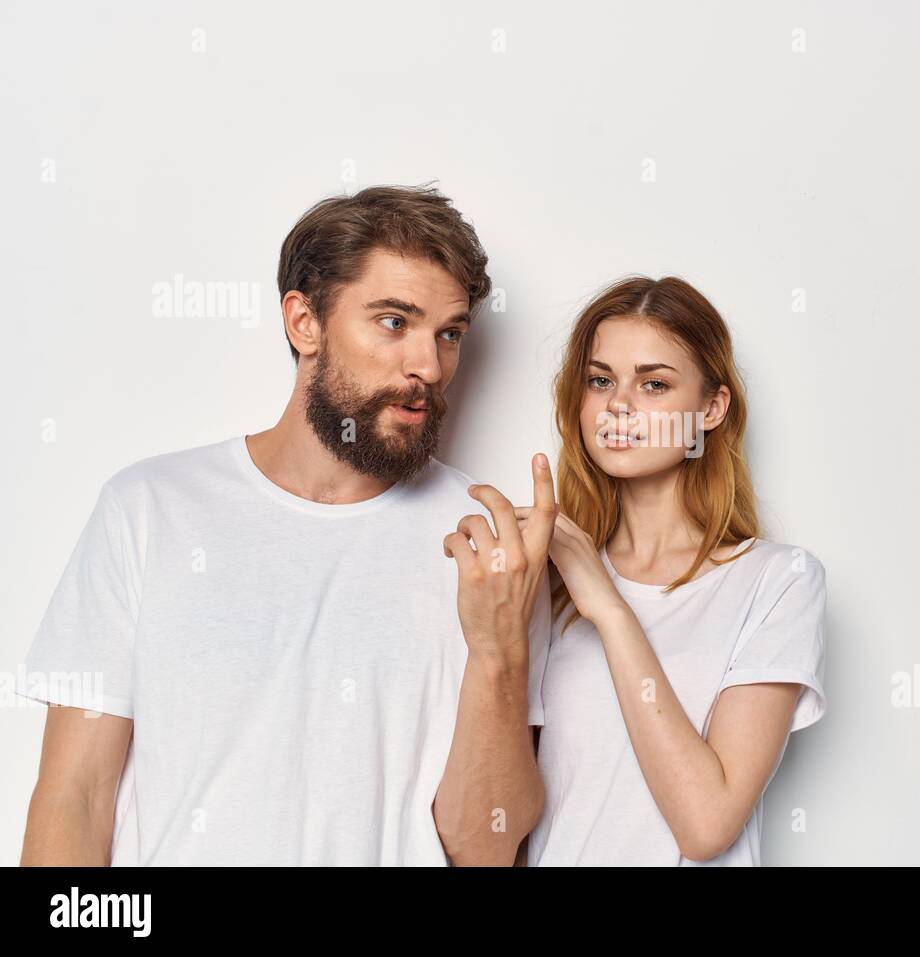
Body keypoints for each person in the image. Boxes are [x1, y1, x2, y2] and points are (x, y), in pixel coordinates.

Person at [18, 184, 555, 866]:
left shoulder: (492, 544)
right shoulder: (149, 509)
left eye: (449, 333)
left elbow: (484, 845)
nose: (429, 365)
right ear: (304, 322)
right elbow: (75, 798)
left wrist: (498, 648)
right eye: (395, 322)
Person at [517, 276, 828, 866]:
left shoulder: (778, 581)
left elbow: (706, 824)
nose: (618, 406)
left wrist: (607, 607)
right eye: (600, 380)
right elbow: (508, 809)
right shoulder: (547, 579)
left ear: (711, 408)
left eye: (653, 384)